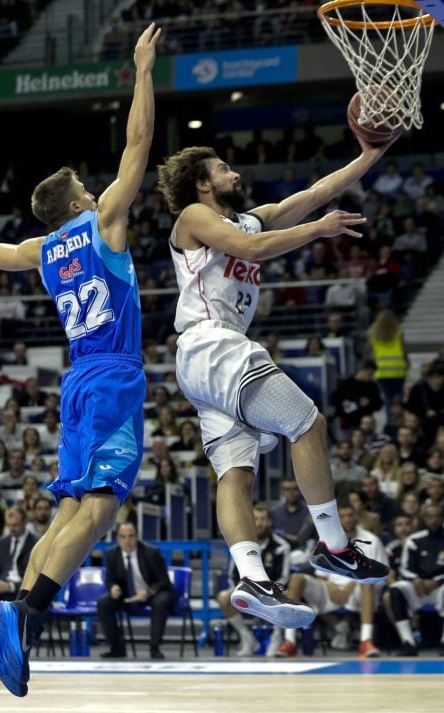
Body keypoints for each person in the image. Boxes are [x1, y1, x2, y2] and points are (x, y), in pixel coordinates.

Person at [0, 23, 160, 697]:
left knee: (69, 508)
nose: (95, 187)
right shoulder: (102, 220)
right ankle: (25, 613)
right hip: (112, 373)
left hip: (78, 378)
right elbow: (138, 143)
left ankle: (17, 611)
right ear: (79, 203)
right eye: (88, 185)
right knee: (102, 507)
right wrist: (141, 71)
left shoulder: (43, 250)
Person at [156, 136, 392, 629]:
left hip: (204, 365)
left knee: (236, 474)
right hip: (211, 345)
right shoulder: (194, 218)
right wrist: (318, 231)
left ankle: (251, 578)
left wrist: (368, 156)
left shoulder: (247, 216)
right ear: (202, 184)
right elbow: (251, 247)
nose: (234, 174)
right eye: (224, 169)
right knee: (307, 423)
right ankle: (334, 546)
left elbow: (310, 195)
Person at [275, 501, 388, 659]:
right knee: (296, 579)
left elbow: (380, 574)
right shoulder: (327, 539)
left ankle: (366, 641)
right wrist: (329, 585)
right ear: (336, 519)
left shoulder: (371, 539)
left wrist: (351, 585)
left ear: (357, 517)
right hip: (329, 589)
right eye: (342, 516)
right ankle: (289, 641)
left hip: (358, 592)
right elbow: (320, 573)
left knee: (366, 583)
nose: (347, 519)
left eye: (350, 515)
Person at [217, 504, 291, 657]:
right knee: (224, 597)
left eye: (263, 519)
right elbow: (232, 575)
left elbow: (284, 577)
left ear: (270, 522)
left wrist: (265, 592)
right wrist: (245, 591)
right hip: (247, 591)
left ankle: (276, 638)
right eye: (255, 519)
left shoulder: (281, 546)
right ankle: (247, 638)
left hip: (273, 592)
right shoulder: (240, 545)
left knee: (289, 595)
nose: (258, 523)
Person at [97, 522, 176, 659]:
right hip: (127, 595)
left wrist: (149, 591)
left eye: (131, 536)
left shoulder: (151, 552)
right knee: (104, 602)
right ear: (117, 538)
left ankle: (154, 648)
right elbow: (110, 580)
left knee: (161, 601)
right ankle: (116, 648)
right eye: (123, 537)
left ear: (137, 537)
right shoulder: (111, 554)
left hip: (152, 593)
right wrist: (113, 588)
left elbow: (164, 582)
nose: (127, 541)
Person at [388, 504, 444, 655]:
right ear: (424, 519)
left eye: (437, 516)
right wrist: (415, 579)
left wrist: (438, 581)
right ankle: (408, 642)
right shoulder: (415, 539)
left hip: (440, 587)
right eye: (430, 517)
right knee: (396, 588)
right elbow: (405, 568)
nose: (434, 520)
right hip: (418, 587)